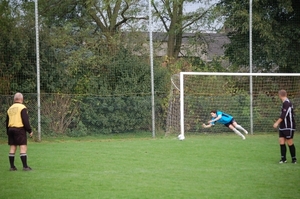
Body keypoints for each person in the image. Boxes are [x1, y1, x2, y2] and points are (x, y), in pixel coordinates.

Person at [6, 92, 33, 171]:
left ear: (14, 99)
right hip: (19, 129)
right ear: (22, 99)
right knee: (23, 146)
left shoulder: (10, 108)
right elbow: (25, 120)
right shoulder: (22, 107)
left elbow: (7, 121)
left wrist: (8, 131)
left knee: (12, 147)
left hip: (10, 129)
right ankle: (25, 166)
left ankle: (12, 167)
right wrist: (29, 130)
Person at [273, 90, 297, 164]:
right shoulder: (284, 103)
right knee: (281, 141)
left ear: (280, 95)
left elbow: (283, 115)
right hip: (283, 126)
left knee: (289, 142)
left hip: (288, 126)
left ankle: (294, 159)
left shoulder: (287, 103)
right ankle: (283, 159)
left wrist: (276, 123)